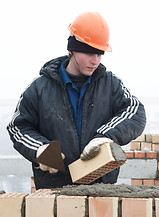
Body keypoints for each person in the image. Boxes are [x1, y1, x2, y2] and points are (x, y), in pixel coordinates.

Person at [7, 12, 146, 190]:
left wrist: (104, 137)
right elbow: (18, 126)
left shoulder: (111, 84)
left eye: (99, 54)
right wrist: (40, 149)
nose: (95, 61)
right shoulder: (39, 88)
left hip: (101, 190)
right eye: (89, 53)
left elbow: (135, 112)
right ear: (71, 50)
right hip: (54, 191)